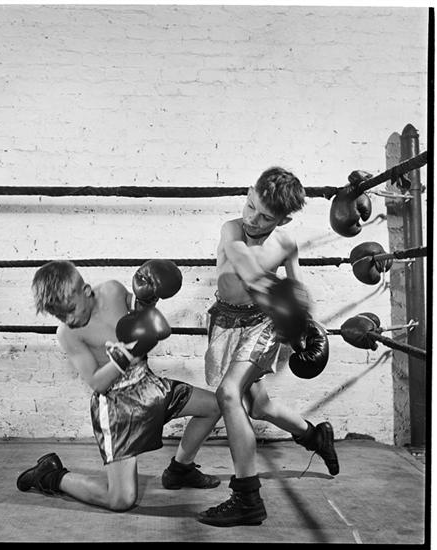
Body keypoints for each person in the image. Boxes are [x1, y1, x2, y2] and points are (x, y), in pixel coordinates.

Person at [17, 259, 222, 512]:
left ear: (86, 291)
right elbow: (97, 383)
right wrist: (126, 355)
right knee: (121, 500)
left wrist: (148, 299)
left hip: (148, 385)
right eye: (59, 315)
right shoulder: (68, 333)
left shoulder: (113, 291)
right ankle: (51, 476)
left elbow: (142, 320)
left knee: (214, 406)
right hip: (117, 407)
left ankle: (181, 469)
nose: (68, 319)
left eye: (70, 309)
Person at [198, 166, 339, 528]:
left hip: (262, 324)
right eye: (251, 207)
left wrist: (302, 324)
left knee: (228, 394)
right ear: (249, 193)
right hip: (226, 321)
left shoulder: (286, 244)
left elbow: (297, 287)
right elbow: (244, 263)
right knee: (259, 406)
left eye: (265, 217)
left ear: (284, 219)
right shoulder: (231, 229)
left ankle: (247, 497)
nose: (253, 219)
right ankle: (314, 435)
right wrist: (278, 296)